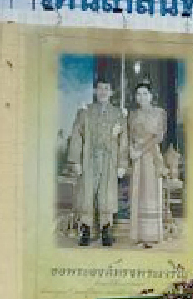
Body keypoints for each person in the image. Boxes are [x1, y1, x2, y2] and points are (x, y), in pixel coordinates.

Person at [64, 78, 125, 246]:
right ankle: (85, 230)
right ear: (95, 91)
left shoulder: (118, 114)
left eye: (107, 88)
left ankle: (106, 230)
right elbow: (76, 135)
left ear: (111, 92)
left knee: (107, 194)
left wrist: (122, 164)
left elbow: (123, 140)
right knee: (87, 194)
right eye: (100, 89)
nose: (103, 92)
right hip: (88, 158)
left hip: (109, 159)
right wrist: (75, 160)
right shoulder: (85, 111)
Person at [125, 82, 170, 247]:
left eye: (145, 94)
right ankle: (139, 235)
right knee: (138, 193)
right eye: (138, 94)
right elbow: (129, 136)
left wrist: (140, 151)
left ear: (151, 96)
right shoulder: (133, 115)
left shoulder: (159, 113)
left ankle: (151, 236)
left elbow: (158, 137)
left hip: (151, 157)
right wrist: (131, 150)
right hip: (137, 158)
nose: (141, 97)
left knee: (150, 193)